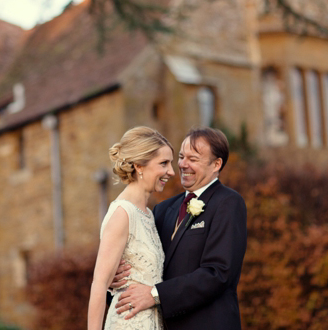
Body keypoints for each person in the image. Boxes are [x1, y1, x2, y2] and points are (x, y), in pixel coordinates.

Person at [112, 126, 247, 330]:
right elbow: (147, 259)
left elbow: (218, 273)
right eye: (182, 157)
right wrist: (117, 278)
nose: (183, 165)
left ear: (216, 164)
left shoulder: (228, 203)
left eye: (193, 159)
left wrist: (154, 294)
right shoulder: (163, 209)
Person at [88, 126, 175, 330]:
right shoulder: (122, 213)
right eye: (164, 163)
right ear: (139, 166)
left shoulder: (147, 214)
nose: (171, 171)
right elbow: (99, 285)